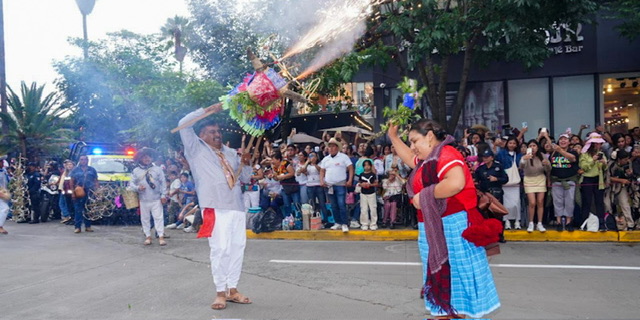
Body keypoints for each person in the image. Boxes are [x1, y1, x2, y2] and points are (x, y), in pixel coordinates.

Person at [388, 120, 501, 318]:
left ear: (430, 136)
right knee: (451, 281)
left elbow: (456, 183)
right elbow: (409, 158)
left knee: (455, 280)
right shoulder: (429, 159)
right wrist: (393, 137)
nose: (412, 148)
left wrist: (423, 197)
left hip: (452, 226)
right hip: (438, 227)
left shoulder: (446, 154)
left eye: (415, 141)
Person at [178, 107, 252, 310]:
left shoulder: (230, 152)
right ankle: (220, 292)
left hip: (236, 206)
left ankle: (232, 290)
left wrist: (246, 163)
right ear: (201, 136)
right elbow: (184, 122)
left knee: (237, 248)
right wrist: (208, 110)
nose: (217, 135)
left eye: (218, 132)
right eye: (212, 132)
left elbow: (244, 179)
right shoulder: (195, 149)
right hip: (214, 206)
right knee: (220, 249)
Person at [128, 148, 168, 246]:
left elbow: (163, 183)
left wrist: (163, 195)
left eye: (148, 156)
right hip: (143, 199)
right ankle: (148, 236)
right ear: (140, 158)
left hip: (156, 198)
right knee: (145, 219)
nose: (147, 158)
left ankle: (161, 237)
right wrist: (138, 188)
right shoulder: (136, 171)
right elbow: (131, 184)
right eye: (144, 156)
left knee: (158, 218)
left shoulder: (157, 169)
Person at [320, 137, 354, 233]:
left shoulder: (344, 157)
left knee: (341, 204)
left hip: (340, 184)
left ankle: (344, 223)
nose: (330, 148)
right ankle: (338, 222)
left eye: (332, 146)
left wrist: (350, 180)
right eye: (329, 146)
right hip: (329, 185)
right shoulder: (325, 159)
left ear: (337, 147)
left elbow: (351, 168)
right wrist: (321, 181)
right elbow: (322, 171)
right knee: (333, 205)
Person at [549, 132, 580, 231]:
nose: (563, 141)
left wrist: (560, 150)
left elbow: (572, 159)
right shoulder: (553, 152)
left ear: (569, 142)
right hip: (556, 181)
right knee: (557, 202)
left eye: (565, 139)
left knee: (569, 202)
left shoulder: (573, 151)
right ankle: (558, 221)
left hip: (569, 181)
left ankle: (568, 221)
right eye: (561, 139)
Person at [520, 140, 551, 232]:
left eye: (534, 145)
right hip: (529, 179)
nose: (532, 147)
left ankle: (540, 223)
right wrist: (524, 159)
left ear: (537, 147)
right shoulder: (525, 156)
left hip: (540, 178)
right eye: (530, 146)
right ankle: (531, 222)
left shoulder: (542, 155)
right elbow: (521, 166)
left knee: (540, 202)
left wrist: (547, 164)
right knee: (532, 202)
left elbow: (548, 169)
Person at [579, 132, 607, 230]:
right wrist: (593, 160)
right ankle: (584, 223)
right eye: (596, 143)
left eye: (599, 143)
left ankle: (602, 224)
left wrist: (604, 163)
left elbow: (605, 167)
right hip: (587, 179)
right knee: (587, 202)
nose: (598, 145)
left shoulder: (601, 153)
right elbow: (583, 167)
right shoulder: (584, 154)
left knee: (599, 202)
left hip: (598, 179)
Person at [495, 136, 523, 230]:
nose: (512, 145)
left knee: (516, 203)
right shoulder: (501, 153)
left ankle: (517, 221)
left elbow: (522, 166)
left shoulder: (519, 154)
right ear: (507, 144)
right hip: (505, 182)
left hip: (515, 183)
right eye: (510, 143)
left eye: (514, 143)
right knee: (506, 204)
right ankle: (506, 221)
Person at [606, 150, 636, 230]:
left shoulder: (628, 163)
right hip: (609, 187)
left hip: (622, 187)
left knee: (624, 204)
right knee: (607, 205)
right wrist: (620, 180)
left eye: (627, 159)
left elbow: (630, 174)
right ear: (619, 159)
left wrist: (629, 174)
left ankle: (630, 224)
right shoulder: (611, 164)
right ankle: (610, 223)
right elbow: (608, 177)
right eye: (624, 159)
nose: (626, 161)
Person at [70, 155, 99, 233]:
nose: (83, 161)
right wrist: (72, 192)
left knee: (88, 210)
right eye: (81, 159)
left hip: (90, 191)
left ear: (87, 160)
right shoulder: (75, 170)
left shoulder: (92, 170)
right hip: (78, 191)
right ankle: (77, 227)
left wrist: (97, 191)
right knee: (78, 210)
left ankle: (88, 226)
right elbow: (71, 181)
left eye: (84, 159)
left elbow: (96, 181)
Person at [357, 159, 378, 230]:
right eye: (365, 165)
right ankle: (364, 223)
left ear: (371, 166)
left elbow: (376, 183)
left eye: (368, 165)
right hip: (363, 194)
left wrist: (370, 185)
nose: (367, 167)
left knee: (373, 209)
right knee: (364, 209)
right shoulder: (361, 174)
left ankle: (373, 223)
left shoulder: (373, 175)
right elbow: (359, 183)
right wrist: (362, 184)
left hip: (371, 193)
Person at [58, 160, 75, 224]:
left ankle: (72, 219)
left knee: (72, 206)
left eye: (70, 164)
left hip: (72, 192)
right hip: (65, 192)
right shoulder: (65, 172)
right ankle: (70, 218)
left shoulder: (74, 172)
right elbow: (64, 182)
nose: (69, 166)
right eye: (68, 164)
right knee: (68, 205)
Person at [0, 160, 10, 234]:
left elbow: (7, 181)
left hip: (4, 192)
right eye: (1, 162)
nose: (3, 164)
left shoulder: (4, 170)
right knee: (5, 208)